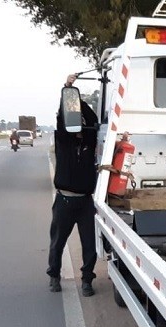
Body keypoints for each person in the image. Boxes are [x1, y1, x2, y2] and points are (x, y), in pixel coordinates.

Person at [48, 73, 100, 296]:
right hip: (65, 200)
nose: (78, 125)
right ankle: (54, 276)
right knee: (58, 242)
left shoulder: (89, 141)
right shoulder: (63, 140)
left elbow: (94, 120)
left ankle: (87, 280)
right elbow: (62, 118)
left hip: (85, 203)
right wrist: (68, 89)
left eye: (80, 122)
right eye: (74, 120)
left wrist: (81, 103)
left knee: (90, 246)